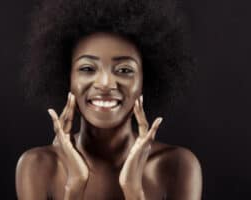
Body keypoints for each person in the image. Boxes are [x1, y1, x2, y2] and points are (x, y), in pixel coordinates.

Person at [16, 0, 202, 199]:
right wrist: (75, 185)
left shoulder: (176, 166)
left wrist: (133, 189)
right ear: (67, 78)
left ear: (144, 81)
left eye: (124, 70)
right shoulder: (38, 166)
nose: (105, 83)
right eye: (87, 68)